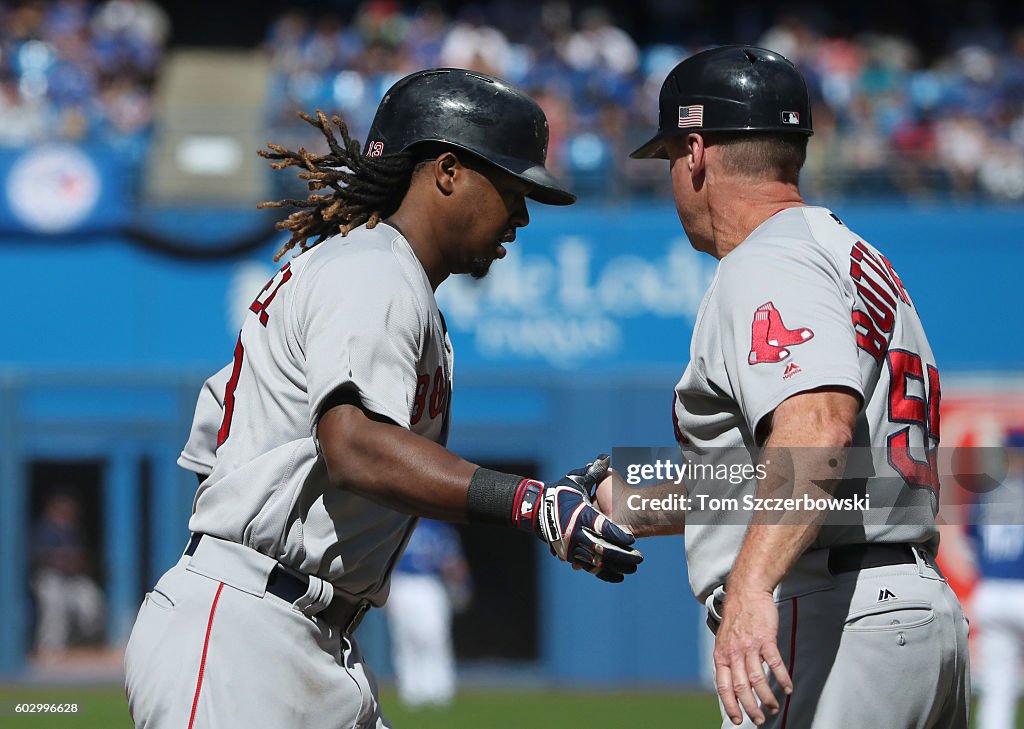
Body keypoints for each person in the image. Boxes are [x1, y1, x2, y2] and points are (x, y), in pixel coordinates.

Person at [124, 68, 642, 729]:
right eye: (512, 188)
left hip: (303, 635)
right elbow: (356, 447)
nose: (521, 213)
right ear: (447, 170)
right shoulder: (373, 270)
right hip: (244, 638)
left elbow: (212, 455)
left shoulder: (369, 275)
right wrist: (531, 501)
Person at [601, 45, 969, 728]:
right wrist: (630, 499)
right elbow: (827, 471)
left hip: (831, 608)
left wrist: (749, 588)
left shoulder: (768, 260)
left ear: (697, 152)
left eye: (670, 161)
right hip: (909, 606)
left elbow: (818, 430)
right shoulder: (849, 254)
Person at [969, 431, 1024, 729]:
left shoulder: (988, 492)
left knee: (997, 688)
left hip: (990, 592)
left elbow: (972, 543)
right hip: (1020, 587)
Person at [385, 518, 471, 708]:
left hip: (429, 582)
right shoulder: (396, 525)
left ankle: (440, 690)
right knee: (405, 639)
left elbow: (452, 561)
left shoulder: (438, 527)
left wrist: (460, 587)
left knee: (434, 637)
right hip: (401, 582)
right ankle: (412, 692)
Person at [31, 491, 105, 657]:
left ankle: (83, 643)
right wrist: (60, 560)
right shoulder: (43, 529)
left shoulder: (73, 531)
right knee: (55, 603)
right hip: (48, 577)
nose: (66, 513)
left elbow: (83, 558)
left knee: (91, 599)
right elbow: (36, 556)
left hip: (72, 579)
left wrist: (75, 562)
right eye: (62, 509)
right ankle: (50, 649)